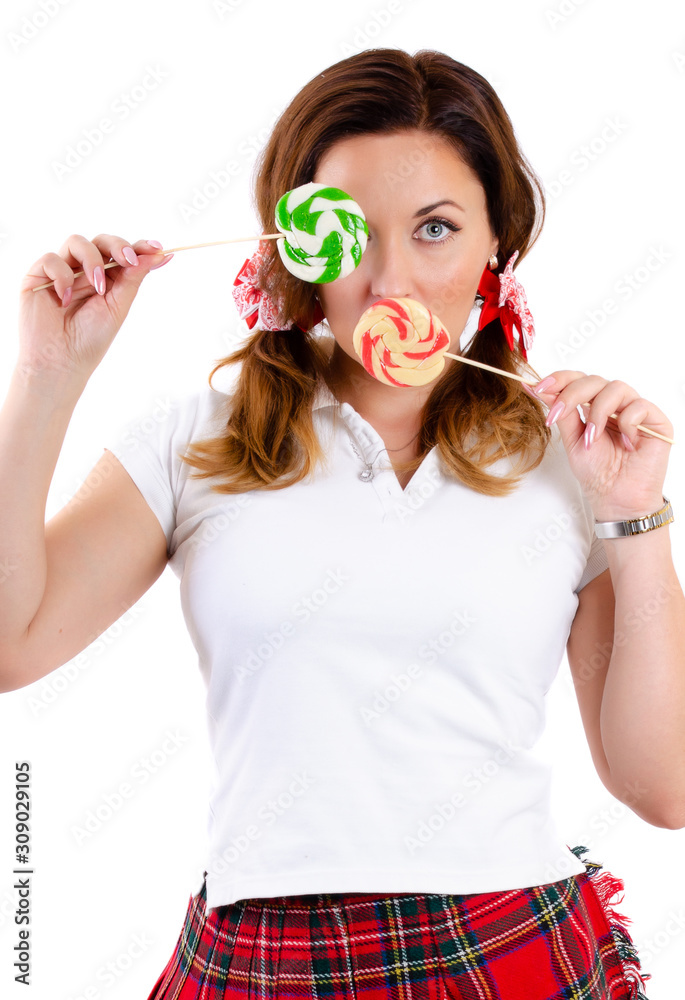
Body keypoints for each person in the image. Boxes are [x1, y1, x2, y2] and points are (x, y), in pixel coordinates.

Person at [1, 47, 679, 1000]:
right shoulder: (198, 435)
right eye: (347, 234)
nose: (389, 281)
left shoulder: (571, 459)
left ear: (498, 245)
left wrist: (635, 515)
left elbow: (664, 788)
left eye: (436, 228)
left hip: (506, 940)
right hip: (258, 952)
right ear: (292, 245)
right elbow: (9, 645)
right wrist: (47, 372)